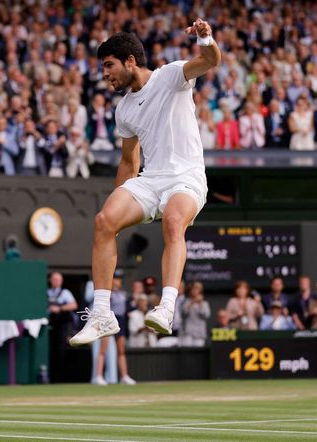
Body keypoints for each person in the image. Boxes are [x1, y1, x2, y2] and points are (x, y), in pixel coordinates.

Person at [70, 21, 221, 346]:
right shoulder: (123, 110)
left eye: (108, 65)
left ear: (129, 61)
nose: (105, 74)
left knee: (173, 220)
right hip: (151, 179)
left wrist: (205, 38)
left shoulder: (171, 75)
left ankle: (167, 307)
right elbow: (128, 162)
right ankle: (101, 315)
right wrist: (118, 215)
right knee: (104, 221)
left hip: (187, 176)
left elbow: (209, 61)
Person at [93, 271, 136, 385]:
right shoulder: (107, 294)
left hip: (120, 321)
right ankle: (98, 376)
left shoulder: (123, 293)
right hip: (108, 320)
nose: (118, 281)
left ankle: (124, 376)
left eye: (119, 279)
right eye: (115, 279)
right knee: (103, 349)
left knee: (121, 350)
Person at [47, 272, 78, 383]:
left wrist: (59, 308)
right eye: (54, 279)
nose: (56, 282)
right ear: (50, 280)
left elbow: (74, 305)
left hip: (62, 326)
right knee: (49, 351)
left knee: (60, 352)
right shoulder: (46, 292)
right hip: (48, 326)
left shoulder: (65, 293)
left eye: (59, 280)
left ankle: (59, 379)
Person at [180, 281, 211, 347]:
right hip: (188, 332)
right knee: (187, 351)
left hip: (200, 333)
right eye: (193, 289)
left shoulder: (204, 303)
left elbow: (206, 315)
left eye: (197, 289)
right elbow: (184, 313)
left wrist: (200, 304)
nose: (195, 291)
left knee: (198, 353)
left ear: (200, 291)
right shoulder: (186, 302)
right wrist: (193, 302)